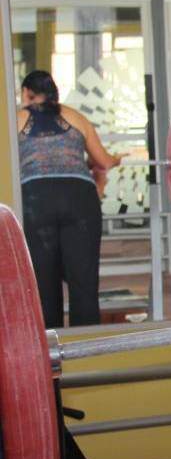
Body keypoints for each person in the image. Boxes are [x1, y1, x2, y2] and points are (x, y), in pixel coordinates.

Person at [17, 69, 122, 328]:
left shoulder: (17, 118)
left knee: (42, 283)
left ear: (27, 93)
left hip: (35, 200)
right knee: (84, 281)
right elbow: (103, 161)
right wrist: (116, 158)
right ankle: (86, 348)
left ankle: (49, 347)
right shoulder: (75, 116)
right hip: (79, 199)